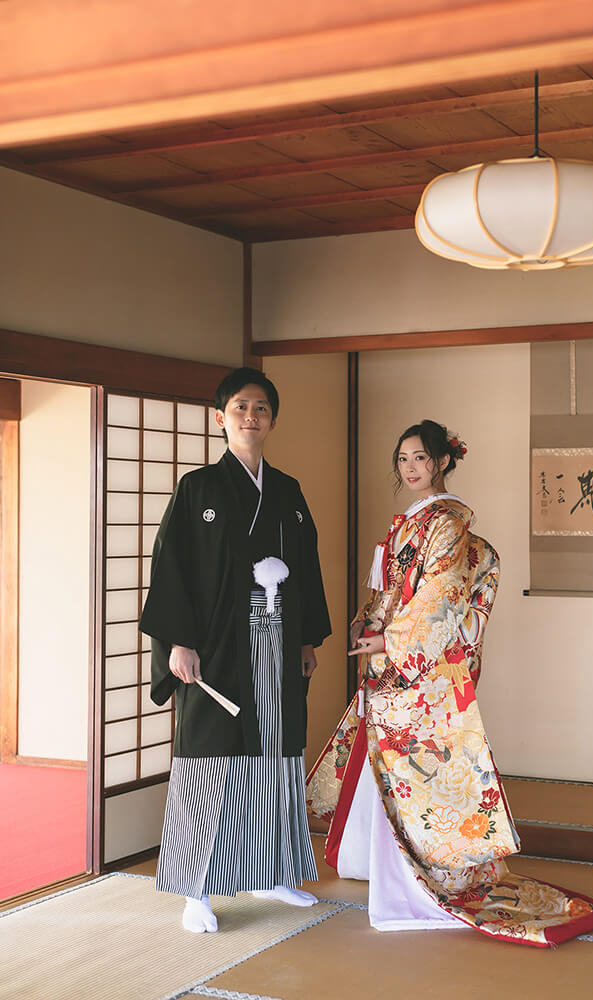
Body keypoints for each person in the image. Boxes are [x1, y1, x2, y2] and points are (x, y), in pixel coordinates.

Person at [306, 420, 593, 947]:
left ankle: (431, 876)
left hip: (420, 671)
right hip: (392, 660)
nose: (411, 468)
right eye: (403, 459)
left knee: (418, 771)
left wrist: (390, 640)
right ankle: (386, 865)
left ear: (442, 461)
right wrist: (366, 620)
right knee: (389, 769)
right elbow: (391, 590)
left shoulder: (446, 524)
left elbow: (439, 599)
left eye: (421, 458)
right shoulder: (407, 524)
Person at [140, 367, 331, 933]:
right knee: (210, 761)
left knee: (274, 759)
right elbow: (172, 569)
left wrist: (304, 639)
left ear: (272, 420)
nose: (252, 416)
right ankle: (195, 889)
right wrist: (178, 642)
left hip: (273, 644)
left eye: (262, 409)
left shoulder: (289, 491)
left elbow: (308, 569)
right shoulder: (197, 489)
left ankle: (271, 871)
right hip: (217, 650)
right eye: (241, 407)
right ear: (221, 417)